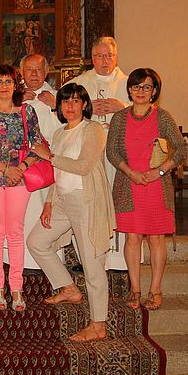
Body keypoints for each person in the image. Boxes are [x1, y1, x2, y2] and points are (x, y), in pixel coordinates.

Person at [28, 83, 115, 342]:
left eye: (76, 101)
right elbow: (58, 174)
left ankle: (98, 324)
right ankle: (68, 287)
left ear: (84, 105)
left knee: (92, 263)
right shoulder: (59, 134)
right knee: (37, 242)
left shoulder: (93, 130)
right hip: (63, 201)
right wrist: (49, 202)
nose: (70, 106)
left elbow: (84, 166)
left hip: (87, 202)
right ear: (60, 107)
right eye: (65, 101)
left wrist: (49, 156)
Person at [106, 68, 187, 311]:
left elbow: (181, 149)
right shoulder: (120, 118)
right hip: (129, 185)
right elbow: (112, 152)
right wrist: (131, 172)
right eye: (136, 86)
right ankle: (135, 289)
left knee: (155, 238)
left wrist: (160, 171)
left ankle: (155, 290)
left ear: (154, 92)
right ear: (129, 89)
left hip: (156, 187)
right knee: (132, 238)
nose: (141, 91)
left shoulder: (162, 117)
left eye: (147, 87)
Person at [0, 65, 44, 312]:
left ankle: (16, 287)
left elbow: (38, 146)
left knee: (15, 233)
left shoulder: (27, 111)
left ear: (16, 85)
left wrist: (21, 167)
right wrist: (5, 169)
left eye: (8, 81)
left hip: (20, 178)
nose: (4, 86)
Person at [69, 36, 130, 270]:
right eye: (99, 56)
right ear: (92, 58)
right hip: (90, 153)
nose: (105, 60)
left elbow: (144, 112)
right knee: (90, 201)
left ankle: (119, 259)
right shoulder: (79, 83)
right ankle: (89, 257)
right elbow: (67, 110)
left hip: (118, 154)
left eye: (109, 56)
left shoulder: (128, 84)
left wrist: (121, 107)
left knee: (116, 201)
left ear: (116, 57)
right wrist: (88, 108)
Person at [2, 53, 62, 271]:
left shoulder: (58, 97)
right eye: (29, 70)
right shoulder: (12, 96)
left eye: (39, 69)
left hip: (47, 167)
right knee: (20, 216)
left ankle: (48, 264)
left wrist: (56, 106)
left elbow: (71, 128)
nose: (34, 74)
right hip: (20, 166)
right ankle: (18, 262)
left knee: (45, 216)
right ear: (21, 73)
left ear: (47, 72)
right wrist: (14, 102)